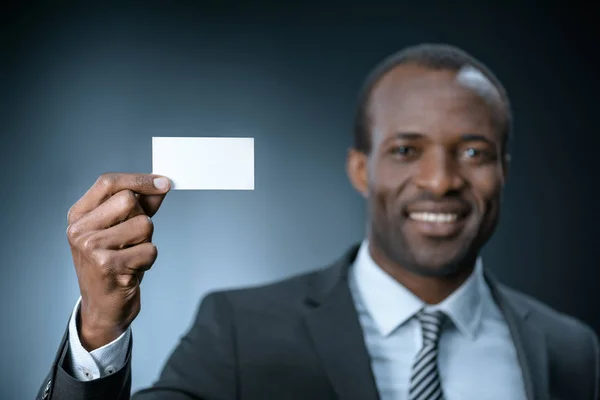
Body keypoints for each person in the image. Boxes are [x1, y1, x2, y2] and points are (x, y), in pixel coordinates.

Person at [36, 43, 599, 400]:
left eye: (473, 152)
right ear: (361, 169)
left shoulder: (569, 350)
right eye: (406, 150)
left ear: (504, 170)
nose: (439, 180)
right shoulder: (237, 329)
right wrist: (100, 331)